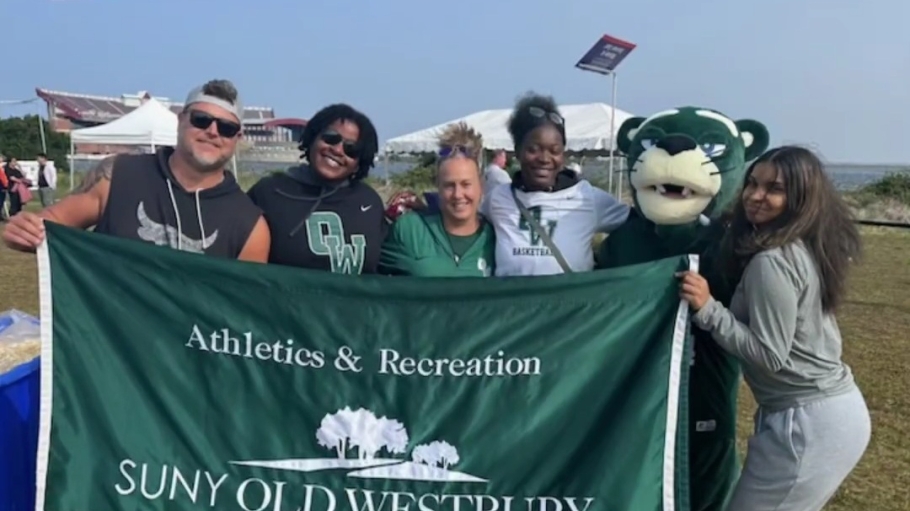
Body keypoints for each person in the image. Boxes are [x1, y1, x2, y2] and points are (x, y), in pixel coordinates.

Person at [678, 146, 869, 511]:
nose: (756, 195)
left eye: (774, 189)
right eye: (752, 183)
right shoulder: (803, 246)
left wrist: (708, 308)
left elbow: (770, 356)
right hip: (821, 412)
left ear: (800, 198)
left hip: (809, 422)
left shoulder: (772, 263)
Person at [2, 79, 271, 262]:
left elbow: (240, 311)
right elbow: (51, 224)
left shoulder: (249, 224)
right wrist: (25, 230)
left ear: (237, 137)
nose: (213, 132)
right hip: (106, 340)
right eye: (201, 120)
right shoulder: (119, 175)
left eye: (226, 128)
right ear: (180, 121)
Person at [482, 92, 630, 276]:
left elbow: (646, 227)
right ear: (518, 151)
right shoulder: (498, 199)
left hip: (570, 304)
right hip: (514, 304)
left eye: (555, 150)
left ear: (563, 155)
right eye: (533, 149)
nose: (544, 159)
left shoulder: (587, 198)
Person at [247, 103, 385, 274]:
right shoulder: (268, 192)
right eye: (331, 138)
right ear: (312, 138)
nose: (337, 150)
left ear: (359, 162)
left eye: (352, 149)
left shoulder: (370, 202)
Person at [379, 122, 495, 277]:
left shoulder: (497, 238)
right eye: (449, 186)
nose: (458, 194)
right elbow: (370, 280)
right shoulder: (410, 230)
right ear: (438, 187)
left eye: (466, 184)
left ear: (481, 186)